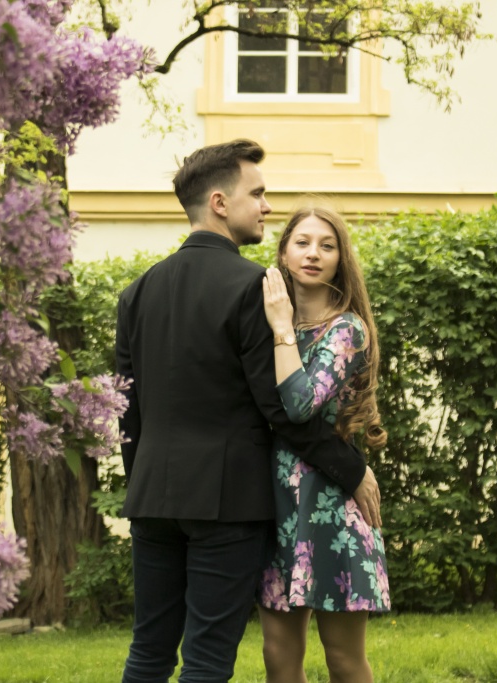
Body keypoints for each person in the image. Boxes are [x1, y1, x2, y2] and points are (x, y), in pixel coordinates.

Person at [115, 140, 382, 683]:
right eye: (256, 193)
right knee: (208, 659)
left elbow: (128, 408)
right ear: (219, 202)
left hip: (151, 498)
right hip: (226, 501)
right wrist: (351, 468)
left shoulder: (136, 292)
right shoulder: (255, 287)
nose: (266, 206)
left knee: (148, 651)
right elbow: (281, 408)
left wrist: (141, 481)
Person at [257, 202, 390, 683]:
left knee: (343, 659)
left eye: (327, 245)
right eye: (303, 242)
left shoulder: (346, 329)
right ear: (284, 252)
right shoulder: (260, 322)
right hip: (276, 506)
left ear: (340, 260)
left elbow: (300, 405)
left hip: (333, 506)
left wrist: (281, 329)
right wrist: (278, 325)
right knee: (278, 654)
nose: (313, 253)